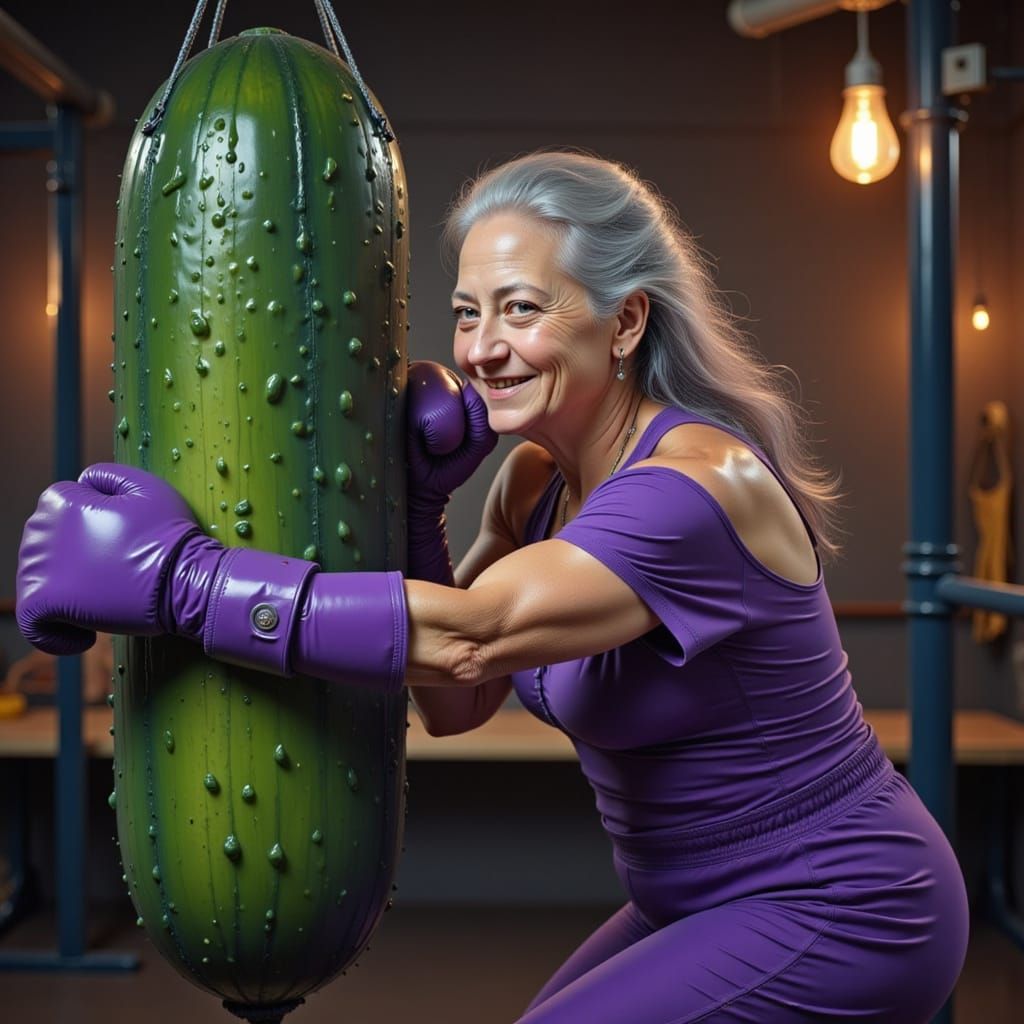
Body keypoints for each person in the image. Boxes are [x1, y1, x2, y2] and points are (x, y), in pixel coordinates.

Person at [17, 150, 968, 1022]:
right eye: (469, 312)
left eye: (522, 308)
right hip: (689, 896)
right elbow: (457, 700)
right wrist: (425, 515)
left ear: (626, 319)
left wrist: (187, 582)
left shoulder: (694, 489)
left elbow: (471, 635)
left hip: (846, 900)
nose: (480, 349)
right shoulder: (536, 479)